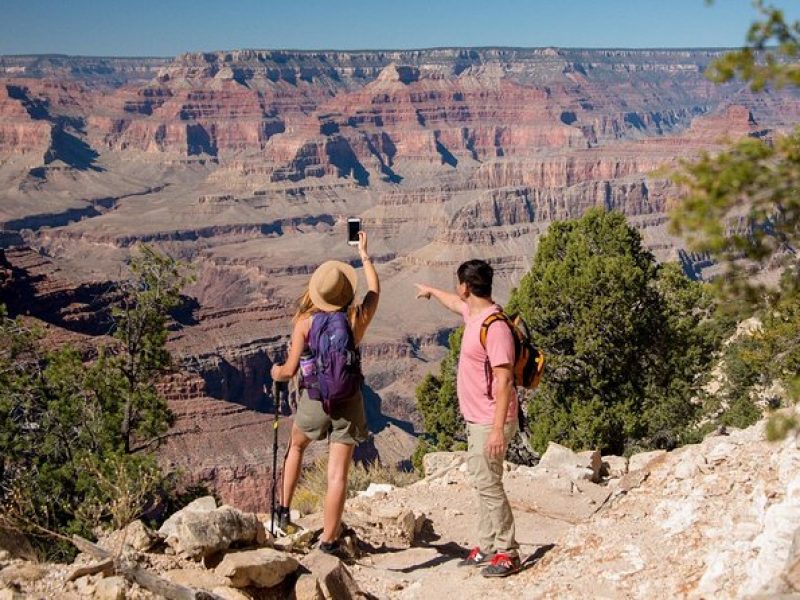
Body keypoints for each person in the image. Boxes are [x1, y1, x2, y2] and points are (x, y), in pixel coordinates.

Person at [271, 231, 379, 556]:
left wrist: (275, 372)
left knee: (296, 448)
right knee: (337, 475)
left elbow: (289, 370)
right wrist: (364, 254)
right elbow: (374, 289)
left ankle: (282, 514)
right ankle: (329, 542)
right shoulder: (357, 317)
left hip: (315, 399)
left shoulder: (305, 322)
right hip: (348, 401)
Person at [415, 259, 521, 577]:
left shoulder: (495, 327)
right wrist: (432, 292)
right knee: (482, 482)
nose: (456, 291)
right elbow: (453, 303)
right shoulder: (474, 313)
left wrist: (498, 431)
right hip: (480, 420)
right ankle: (487, 546)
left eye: (457, 285)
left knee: (489, 485)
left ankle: (508, 552)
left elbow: (504, 381)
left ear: (466, 286)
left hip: (491, 421)